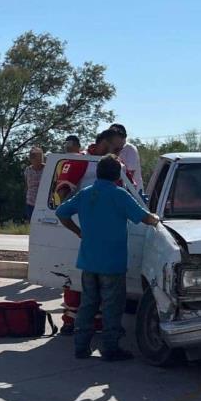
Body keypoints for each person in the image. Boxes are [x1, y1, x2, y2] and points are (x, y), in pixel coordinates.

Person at [55, 155, 160, 361]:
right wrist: (157, 219)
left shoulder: (86, 194)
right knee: (112, 307)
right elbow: (146, 218)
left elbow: (61, 212)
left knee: (88, 305)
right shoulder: (119, 194)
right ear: (116, 174)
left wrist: (78, 231)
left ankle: (81, 347)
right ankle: (110, 349)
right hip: (112, 263)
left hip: (89, 261)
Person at [109, 123, 143, 191]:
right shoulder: (111, 149)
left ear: (124, 137)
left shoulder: (130, 149)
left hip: (133, 192)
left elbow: (130, 174)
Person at [23, 147, 45, 220]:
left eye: (40, 157)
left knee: (42, 224)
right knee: (32, 223)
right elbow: (26, 185)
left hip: (43, 203)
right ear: (31, 159)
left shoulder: (47, 168)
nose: (39, 160)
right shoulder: (27, 170)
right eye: (35, 158)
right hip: (30, 202)